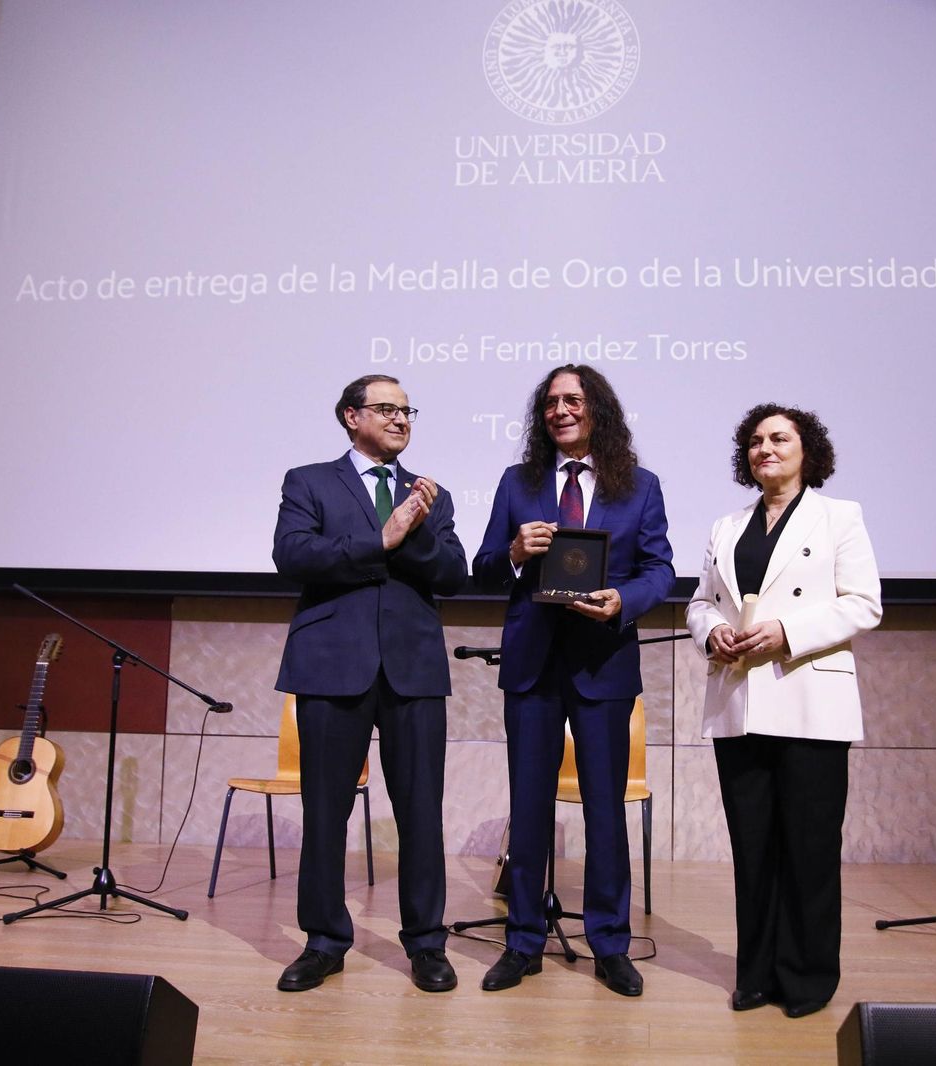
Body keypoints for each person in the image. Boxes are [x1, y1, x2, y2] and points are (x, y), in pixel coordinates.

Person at [472, 365, 674, 996]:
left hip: (603, 666)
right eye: (551, 402)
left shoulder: (639, 486)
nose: (560, 410)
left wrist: (623, 601)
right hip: (532, 666)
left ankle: (610, 944)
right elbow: (482, 568)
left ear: (597, 411)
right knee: (528, 807)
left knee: (605, 811)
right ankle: (523, 941)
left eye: (574, 400)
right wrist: (513, 552)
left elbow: (660, 569)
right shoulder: (518, 482)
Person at [684, 402, 882, 1019]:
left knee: (810, 847)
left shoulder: (839, 517)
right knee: (754, 846)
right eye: (754, 441)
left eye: (778, 438)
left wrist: (787, 632)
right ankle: (757, 974)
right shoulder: (726, 526)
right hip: (739, 700)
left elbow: (864, 603)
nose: (764, 449)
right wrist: (711, 632)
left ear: (807, 450)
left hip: (809, 700)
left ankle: (808, 977)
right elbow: (699, 602)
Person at [272, 373, 467, 994]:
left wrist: (412, 531)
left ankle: (426, 943)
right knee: (325, 811)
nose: (401, 419)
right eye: (386, 409)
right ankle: (324, 942)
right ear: (351, 417)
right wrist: (381, 537)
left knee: (420, 811)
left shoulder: (429, 494)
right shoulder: (309, 482)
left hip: (413, 667)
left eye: (407, 411)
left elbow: (454, 573)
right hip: (331, 663)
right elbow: (292, 555)